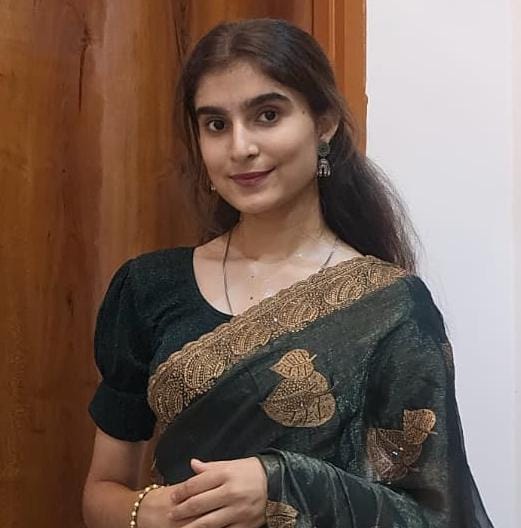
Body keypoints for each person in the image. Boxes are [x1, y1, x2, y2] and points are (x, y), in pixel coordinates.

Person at [82, 18, 494, 528]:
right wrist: (145, 512)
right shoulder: (147, 287)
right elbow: (101, 493)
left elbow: (439, 517)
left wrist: (282, 485)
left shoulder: (390, 309)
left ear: (324, 124)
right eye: (216, 125)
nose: (240, 147)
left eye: (267, 115)